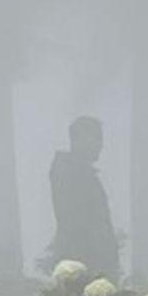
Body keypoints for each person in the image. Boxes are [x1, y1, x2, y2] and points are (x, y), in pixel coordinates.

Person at [48, 116, 120, 276]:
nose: (100, 145)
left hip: (92, 261)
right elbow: (80, 221)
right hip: (82, 262)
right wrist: (102, 256)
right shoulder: (69, 173)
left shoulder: (81, 174)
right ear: (79, 139)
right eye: (96, 138)